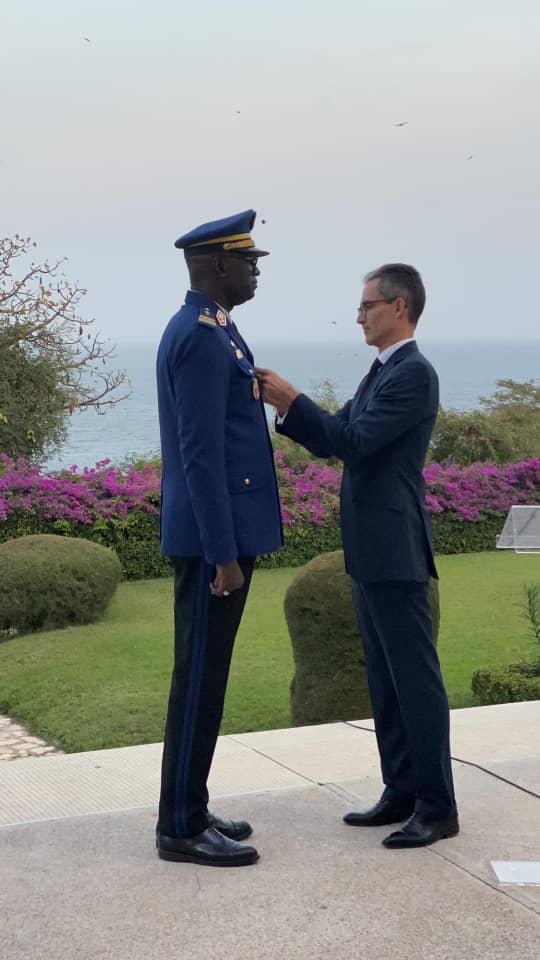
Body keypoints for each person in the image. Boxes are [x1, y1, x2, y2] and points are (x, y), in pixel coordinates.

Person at [257, 263, 459, 849]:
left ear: (399, 306)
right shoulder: (380, 374)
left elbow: (354, 442)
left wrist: (293, 398)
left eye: (367, 305)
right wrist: (289, 408)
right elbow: (333, 436)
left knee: (416, 682)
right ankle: (401, 790)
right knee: (386, 680)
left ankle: (437, 806)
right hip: (372, 551)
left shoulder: (413, 374)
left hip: (396, 550)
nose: (359, 316)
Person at [156, 210, 283, 867]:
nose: (257, 271)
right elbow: (201, 455)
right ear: (219, 266)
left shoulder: (219, 331)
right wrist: (223, 555)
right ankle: (178, 825)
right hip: (215, 547)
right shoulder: (201, 337)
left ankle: (192, 804)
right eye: (251, 262)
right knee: (199, 679)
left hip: (222, 537)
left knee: (208, 677)